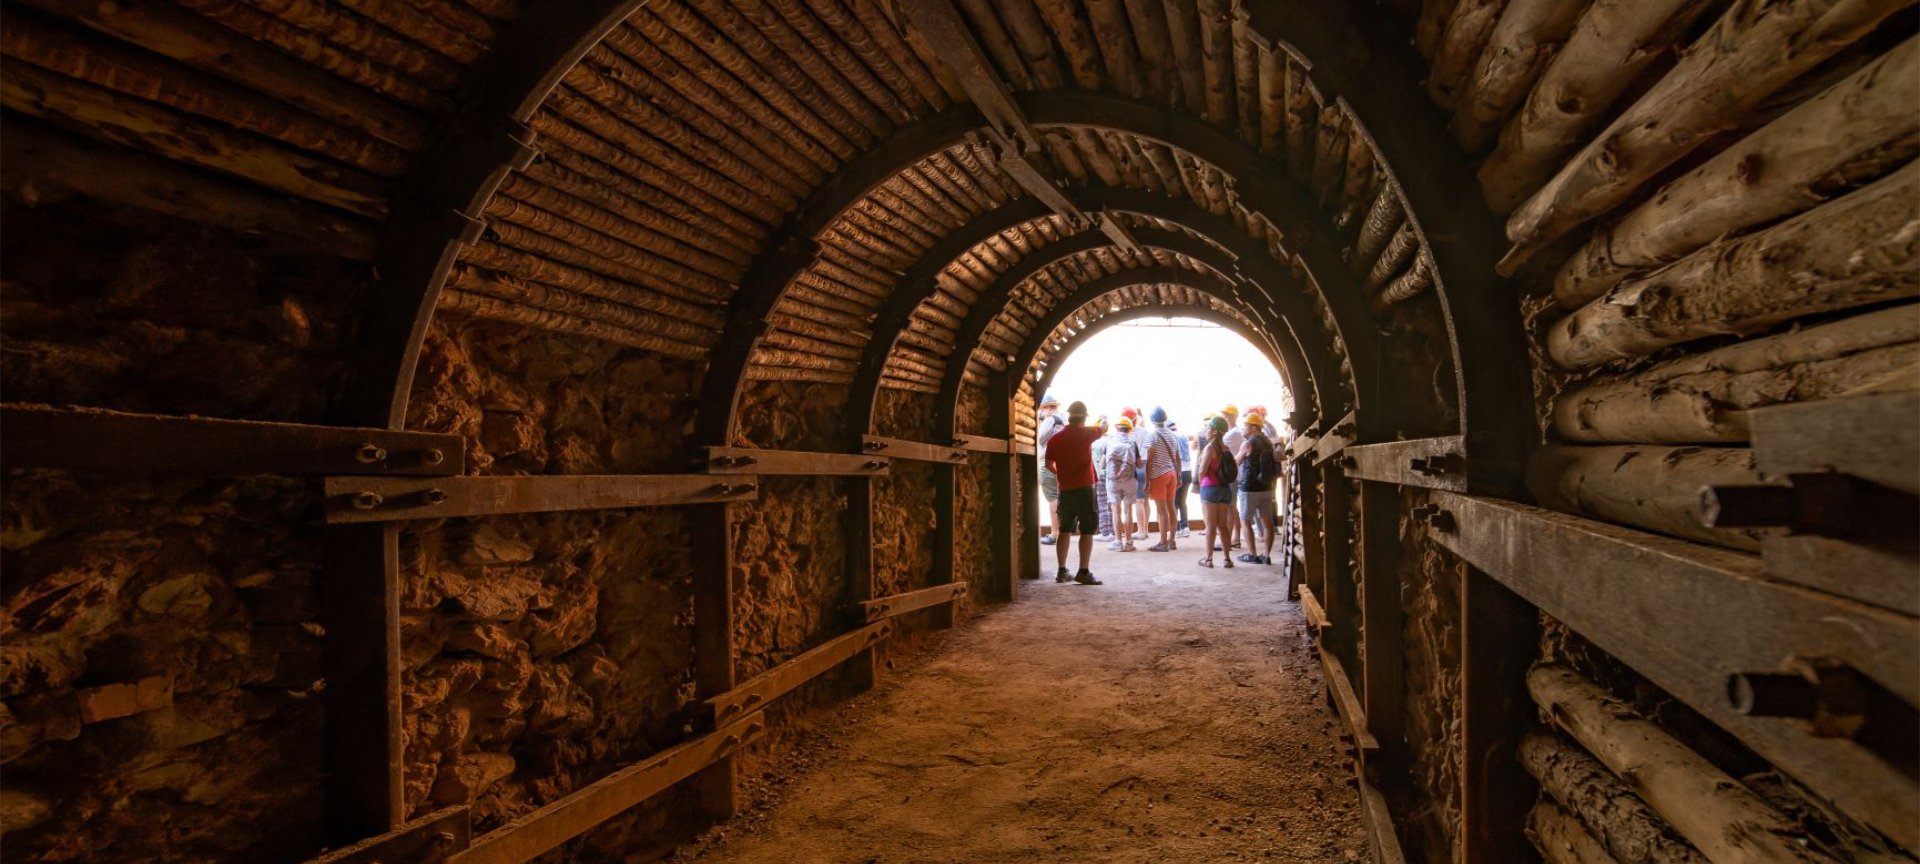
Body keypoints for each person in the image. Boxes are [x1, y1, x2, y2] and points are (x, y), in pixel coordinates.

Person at [1042, 401, 1104, 584]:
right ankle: (1083, 572)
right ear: (1084, 418)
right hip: (1085, 488)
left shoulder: (1055, 439)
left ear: (1068, 417)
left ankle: (1062, 571)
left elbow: (1048, 465)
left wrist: (1061, 474)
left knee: (1064, 529)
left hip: (1065, 489)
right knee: (1087, 530)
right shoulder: (1087, 433)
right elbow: (1103, 427)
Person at [1236, 411, 1279, 566]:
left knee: (1245, 521)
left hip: (1249, 488)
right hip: (1267, 486)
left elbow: (1237, 462)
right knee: (1267, 523)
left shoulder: (1248, 443)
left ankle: (1252, 554)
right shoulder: (1268, 442)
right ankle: (1266, 555)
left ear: (1253, 427)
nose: (1243, 429)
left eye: (1245, 426)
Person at [1195, 415, 1238, 569]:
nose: (1207, 430)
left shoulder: (1210, 447)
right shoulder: (1226, 448)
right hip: (1224, 489)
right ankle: (1227, 559)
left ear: (1214, 431)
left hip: (1210, 488)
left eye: (1209, 428)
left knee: (1211, 526)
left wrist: (1201, 486)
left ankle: (1208, 559)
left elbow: (1202, 470)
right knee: (1223, 526)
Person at [1144, 407, 1182, 552]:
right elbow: (1178, 458)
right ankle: (1172, 540)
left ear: (1152, 421)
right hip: (1172, 474)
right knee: (1171, 508)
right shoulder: (1173, 435)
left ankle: (1163, 542)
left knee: (1162, 511)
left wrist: (1147, 481)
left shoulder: (1152, 436)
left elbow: (1149, 461)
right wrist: (1178, 475)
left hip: (1158, 475)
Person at [1105, 415, 1142, 552]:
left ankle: (1118, 542)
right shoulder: (1132, 444)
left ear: (1117, 429)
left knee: (1116, 511)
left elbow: (1103, 464)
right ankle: (1129, 543)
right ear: (1129, 430)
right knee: (1128, 511)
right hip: (1130, 481)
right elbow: (1138, 464)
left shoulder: (1109, 443)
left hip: (1113, 481)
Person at [1036, 394, 1065, 546]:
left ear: (1048, 407)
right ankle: (1062, 530)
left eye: (1042, 409)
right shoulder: (1064, 421)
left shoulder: (1050, 420)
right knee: (1060, 496)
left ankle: (1054, 533)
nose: (1041, 413)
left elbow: (1040, 439)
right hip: (1062, 463)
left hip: (1048, 462)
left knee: (1052, 497)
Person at [1219, 405, 1246, 552]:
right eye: (1225, 415)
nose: (1226, 417)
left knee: (1230, 507)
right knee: (1232, 506)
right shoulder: (1234, 432)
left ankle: (1232, 538)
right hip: (1235, 474)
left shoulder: (1232, 434)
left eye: (1228, 415)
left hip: (1232, 475)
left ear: (1234, 416)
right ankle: (1233, 537)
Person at [1090, 415, 1115, 540]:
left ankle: (1105, 533)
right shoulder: (1112, 440)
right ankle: (1114, 531)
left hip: (1100, 476)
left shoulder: (1095, 442)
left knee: (1102, 503)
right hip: (1113, 476)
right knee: (1112, 503)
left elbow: (1095, 463)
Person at [1171, 421, 1192, 538]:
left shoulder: (1171, 437)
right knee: (1182, 501)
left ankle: (1177, 527)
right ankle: (1185, 526)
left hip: (1177, 472)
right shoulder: (1183, 435)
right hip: (1188, 472)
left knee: (1174, 502)